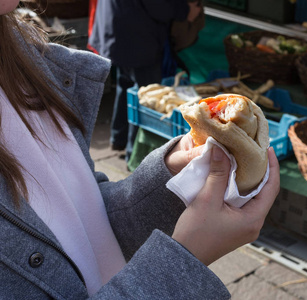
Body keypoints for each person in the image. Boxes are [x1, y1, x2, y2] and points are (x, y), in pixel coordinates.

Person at [0, 1, 280, 298]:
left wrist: (165, 181)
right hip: (141, 41)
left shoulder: (23, 65)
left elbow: (81, 216)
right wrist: (183, 261)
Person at [88, 0, 202, 161]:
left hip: (119, 31)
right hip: (137, 38)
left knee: (126, 85)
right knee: (145, 99)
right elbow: (159, 7)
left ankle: (119, 139)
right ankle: (134, 156)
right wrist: (184, 11)